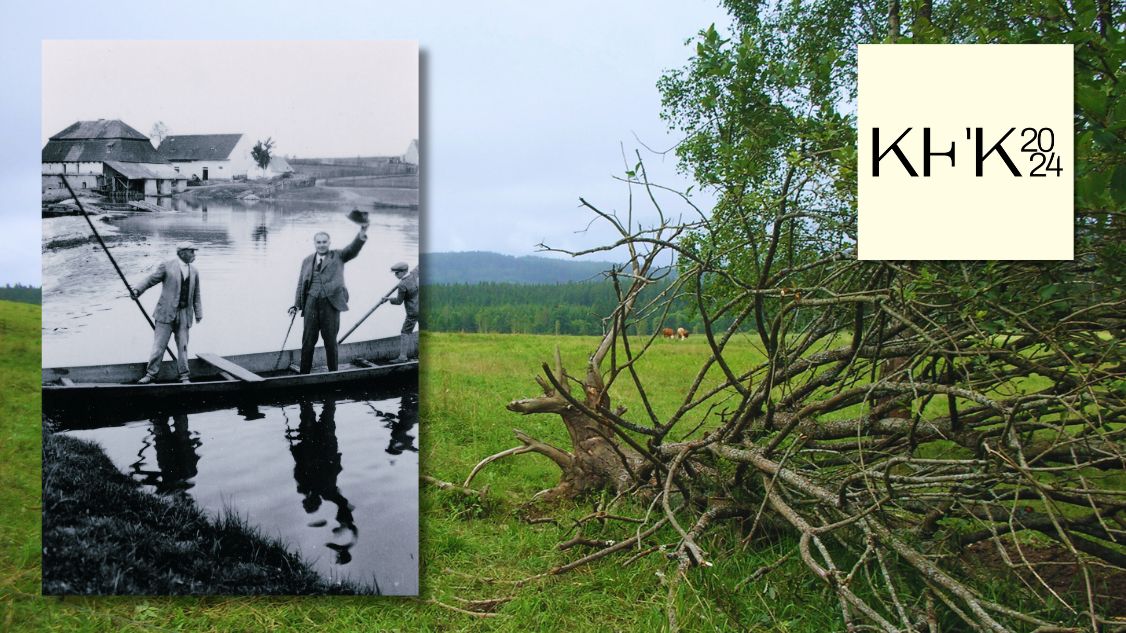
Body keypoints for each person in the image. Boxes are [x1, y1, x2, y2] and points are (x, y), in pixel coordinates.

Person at [288, 223, 368, 373]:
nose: (321, 245)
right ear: (314, 243)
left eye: (324, 242)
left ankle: (333, 373)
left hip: (330, 305)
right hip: (311, 303)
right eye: (318, 242)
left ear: (329, 243)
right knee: (307, 342)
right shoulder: (307, 261)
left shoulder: (338, 256)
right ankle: (303, 374)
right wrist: (296, 305)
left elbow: (352, 249)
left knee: (330, 342)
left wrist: (362, 233)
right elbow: (301, 284)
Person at [132, 242, 202, 384]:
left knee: (183, 347)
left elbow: (197, 294)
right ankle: (151, 375)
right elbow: (150, 279)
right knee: (158, 346)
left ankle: (184, 376)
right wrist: (137, 290)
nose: (194, 255)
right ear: (182, 253)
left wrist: (198, 312)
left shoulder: (194, 271)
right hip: (165, 313)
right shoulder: (167, 266)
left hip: (184, 315)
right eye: (192, 252)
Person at [388, 262, 419, 363]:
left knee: (405, 332)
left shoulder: (402, 284)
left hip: (412, 313)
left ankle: (402, 357)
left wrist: (388, 299)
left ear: (402, 272)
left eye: (396, 273)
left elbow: (398, 301)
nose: (395, 275)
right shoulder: (414, 274)